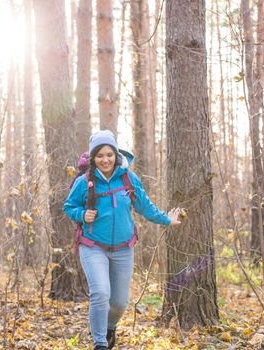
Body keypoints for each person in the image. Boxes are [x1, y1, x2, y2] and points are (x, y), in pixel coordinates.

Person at [63, 130, 181, 350]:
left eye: (109, 154)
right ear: (93, 158)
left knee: (118, 303)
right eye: (99, 156)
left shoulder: (128, 178)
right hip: (93, 246)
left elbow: (145, 206)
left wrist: (166, 219)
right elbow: (68, 207)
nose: (105, 159)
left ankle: (109, 327)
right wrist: (82, 215)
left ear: (116, 155)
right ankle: (100, 344)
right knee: (100, 293)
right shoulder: (84, 182)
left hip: (123, 249)